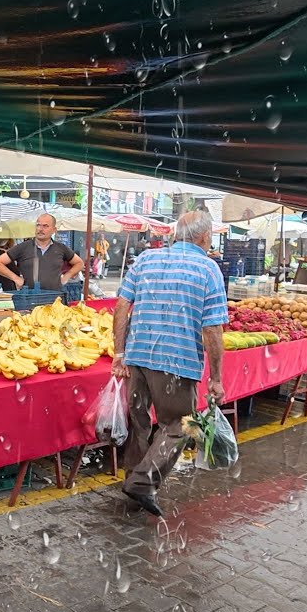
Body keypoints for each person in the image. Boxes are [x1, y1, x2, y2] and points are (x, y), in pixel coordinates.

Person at [111, 211, 227, 517]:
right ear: (204, 237)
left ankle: (134, 481)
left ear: (176, 234)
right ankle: (142, 482)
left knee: (139, 422)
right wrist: (216, 378)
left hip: (138, 357)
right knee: (180, 423)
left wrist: (119, 354)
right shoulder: (208, 269)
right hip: (177, 362)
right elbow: (213, 329)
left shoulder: (146, 259)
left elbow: (122, 305)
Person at [0, 214, 85, 291]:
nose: (40, 229)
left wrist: (66, 276)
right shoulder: (23, 247)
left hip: (55, 298)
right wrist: (16, 278)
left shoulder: (61, 248)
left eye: (45, 226)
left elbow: (79, 263)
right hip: (29, 298)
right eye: (38, 225)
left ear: (54, 230)